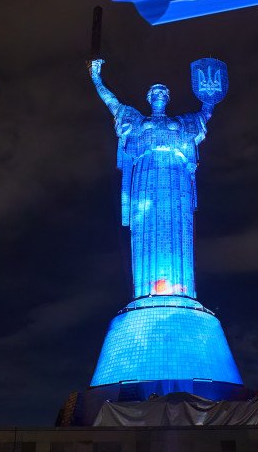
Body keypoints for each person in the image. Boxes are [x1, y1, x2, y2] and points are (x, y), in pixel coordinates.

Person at [89, 58, 214, 299]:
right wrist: (97, 78)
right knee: (145, 224)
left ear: (167, 98)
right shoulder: (138, 123)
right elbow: (112, 103)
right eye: (155, 92)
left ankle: (181, 292)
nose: (159, 94)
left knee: (178, 225)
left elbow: (204, 115)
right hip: (146, 177)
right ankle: (146, 292)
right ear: (149, 98)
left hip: (176, 178)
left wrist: (209, 98)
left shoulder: (179, 124)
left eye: (163, 92)